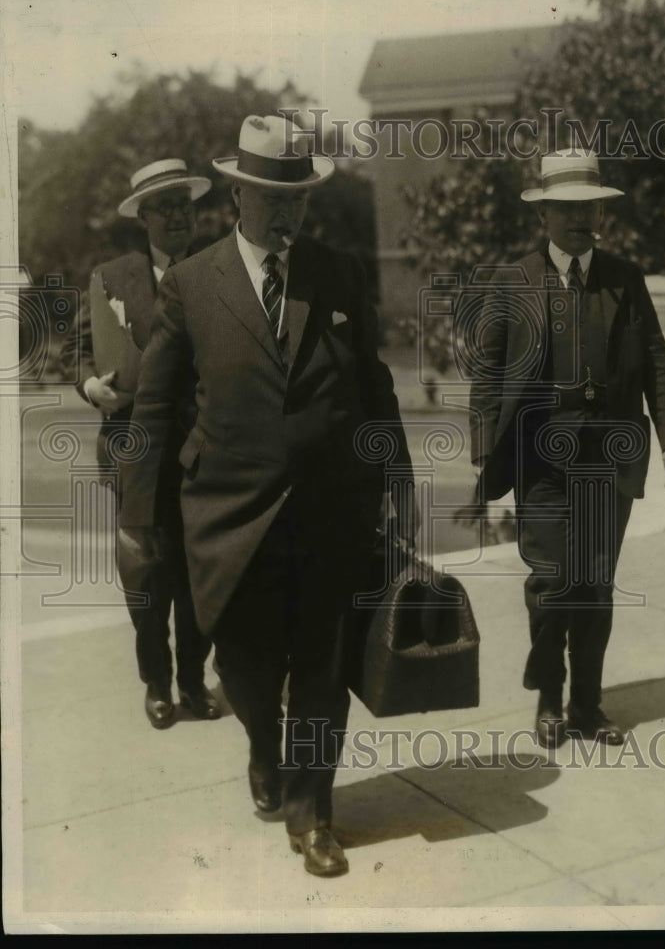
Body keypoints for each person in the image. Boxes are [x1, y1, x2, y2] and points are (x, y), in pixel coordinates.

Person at [118, 114, 414, 878]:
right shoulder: (191, 284)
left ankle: (313, 814)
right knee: (246, 670)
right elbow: (154, 407)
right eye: (272, 197)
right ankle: (262, 746)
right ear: (237, 196)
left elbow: (373, 386)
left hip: (329, 512)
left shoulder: (337, 272)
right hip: (228, 518)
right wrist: (139, 516)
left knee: (322, 668)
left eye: (298, 198)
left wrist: (397, 485)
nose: (286, 212)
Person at [469, 149, 665, 749]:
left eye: (587, 207)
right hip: (540, 457)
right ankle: (549, 695)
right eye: (565, 207)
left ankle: (587, 705)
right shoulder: (512, 281)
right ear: (543, 214)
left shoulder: (625, 278)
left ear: (600, 213)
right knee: (551, 581)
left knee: (593, 584)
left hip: (609, 456)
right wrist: (484, 449)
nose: (578, 218)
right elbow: (488, 372)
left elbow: (656, 362)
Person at [59, 159, 220, 729]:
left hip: (202, 451)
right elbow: (78, 350)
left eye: (184, 205)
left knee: (199, 576)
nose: (178, 216)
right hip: (133, 451)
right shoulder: (112, 277)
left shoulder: (217, 271)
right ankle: (157, 683)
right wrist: (91, 386)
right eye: (164, 207)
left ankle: (194, 680)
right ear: (143, 218)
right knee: (146, 577)